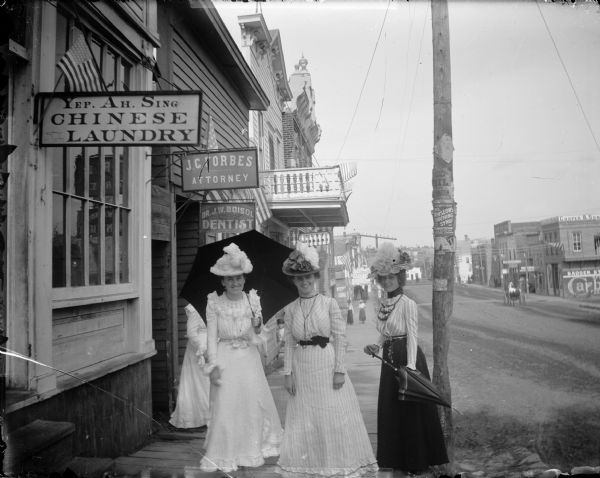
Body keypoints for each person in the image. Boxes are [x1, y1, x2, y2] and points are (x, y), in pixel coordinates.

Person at [277, 242, 377, 478]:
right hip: (302, 367)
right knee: (306, 417)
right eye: (299, 278)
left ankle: (336, 465)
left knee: (331, 414)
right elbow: (290, 343)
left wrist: (339, 370)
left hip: (325, 363)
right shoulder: (291, 309)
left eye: (308, 277)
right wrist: (288, 373)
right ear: (294, 281)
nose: (304, 282)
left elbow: (341, 338)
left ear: (315, 276)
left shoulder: (329, 303)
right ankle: (310, 466)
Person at [363, 242, 448, 474]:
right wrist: (376, 346)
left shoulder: (408, 303)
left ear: (400, 277)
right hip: (389, 360)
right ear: (379, 281)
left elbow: (412, 336)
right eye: (384, 278)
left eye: (392, 277)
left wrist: (410, 368)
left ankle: (417, 461)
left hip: (406, 358)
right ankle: (397, 460)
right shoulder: (383, 304)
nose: (388, 281)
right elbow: (385, 332)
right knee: (392, 411)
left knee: (410, 411)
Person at [199, 243, 283, 472]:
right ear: (223, 281)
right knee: (226, 405)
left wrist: (257, 328)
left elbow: (260, 336)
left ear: (244, 278)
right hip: (225, 358)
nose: (235, 283)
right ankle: (226, 454)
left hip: (248, 359)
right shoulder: (214, 303)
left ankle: (250, 451)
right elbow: (211, 337)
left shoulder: (252, 300)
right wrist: (213, 364)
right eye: (230, 279)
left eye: (239, 278)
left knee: (250, 403)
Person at [168, 303, 210, 429]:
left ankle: (212, 415)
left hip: (213, 346)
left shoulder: (216, 306)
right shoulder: (195, 309)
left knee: (211, 382)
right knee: (200, 382)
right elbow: (191, 333)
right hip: (198, 350)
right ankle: (200, 416)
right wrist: (202, 348)